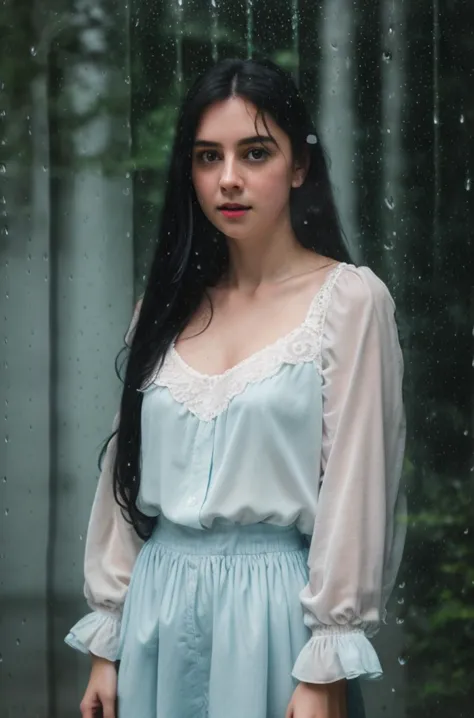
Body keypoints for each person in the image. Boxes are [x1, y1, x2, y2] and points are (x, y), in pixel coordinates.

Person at [65, 57, 406, 718]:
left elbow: (358, 489)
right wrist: (107, 643)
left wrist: (325, 667)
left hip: (274, 619)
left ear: (299, 166)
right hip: (154, 616)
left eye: (255, 153)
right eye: (206, 157)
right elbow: (124, 478)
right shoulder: (163, 307)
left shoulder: (350, 302)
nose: (228, 179)